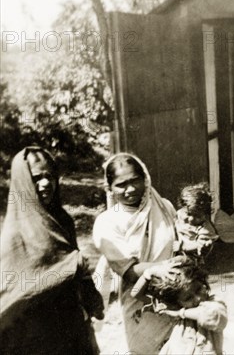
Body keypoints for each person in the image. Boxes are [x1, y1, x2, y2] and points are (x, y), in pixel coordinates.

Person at [0, 146, 103, 354]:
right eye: (37, 178)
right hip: (34, 332)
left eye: (50, 176)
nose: (46, 184)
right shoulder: (14, 233)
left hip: (71, 323)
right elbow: (16, 291)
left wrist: (91, 296)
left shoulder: (62, 220)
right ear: (24, 184)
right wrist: (72, 265)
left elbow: (76, 265)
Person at [93, 153, 183, 353]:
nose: (131, 189)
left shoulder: (165, 207)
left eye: (135, 180)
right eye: (121, 184)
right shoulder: (107, 223)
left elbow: (179, 246)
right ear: (110, 188)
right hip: (140, 304)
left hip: (178, 297)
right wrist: (163, 268)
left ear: (145, 178)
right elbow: (129, 270)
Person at [130, 257, 228, 354]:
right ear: (176, 302)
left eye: (198, 289)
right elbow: (135, 294)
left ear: (202, 282)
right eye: (188, 298)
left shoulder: (214, 303)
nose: (198, 299)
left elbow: (211, 316)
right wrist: (150, 272)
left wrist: (179, 313)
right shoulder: (173, 307)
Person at [174, 183, 220, 262]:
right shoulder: (179, 214)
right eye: (188, 214)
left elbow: (200, 245)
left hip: (193, 257)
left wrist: (182, 247)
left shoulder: (206, 229)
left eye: (197, 216)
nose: (191, 219)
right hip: (176, 249)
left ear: (206, 215)